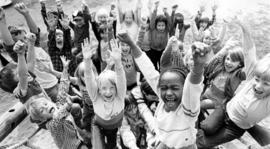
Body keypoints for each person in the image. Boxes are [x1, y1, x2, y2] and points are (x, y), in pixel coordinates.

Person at [117, 31, 210, 148]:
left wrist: (198, 67)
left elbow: (193, 87)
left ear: (184, 90)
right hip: (164, 143)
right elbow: (148, 70)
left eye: (175, 88)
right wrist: (131, 44)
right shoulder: (163, 95)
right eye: (164, 88)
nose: (169, 93)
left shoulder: (188, 108)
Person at [196, 19, 270, 148]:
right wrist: (244, 28)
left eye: (266, 83)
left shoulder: (239, 75)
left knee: (202, 142)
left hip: (235, 127)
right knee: (206, 128)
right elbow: (249, 52)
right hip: (225, 110)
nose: (258, 86)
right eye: (257, 80)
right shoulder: (251, 75)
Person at [82, 37, 126, 149]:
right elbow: (88, 77)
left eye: (112, 87)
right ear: (98, 89)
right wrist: (87, 61)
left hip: (114, 127)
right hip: (98, 125)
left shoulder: (119, 96)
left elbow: (120, 78)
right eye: (104, 88)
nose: (108, 92)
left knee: (112, 145)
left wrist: (118, 62)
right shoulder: (95, 97)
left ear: (117, 88)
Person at [148, 1, 171, 70]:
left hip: (163, 50)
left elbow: (169, 22)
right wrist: (155, 8)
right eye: (159, 25)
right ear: (156, 25)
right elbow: (152, 19)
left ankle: (161, 74)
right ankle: (156, 74)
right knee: (154, 64)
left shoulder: (166, 29)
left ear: (165, 25)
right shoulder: (153, 28)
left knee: (162, 64)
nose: (161, 27)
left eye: (163, 25)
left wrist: (166, 12)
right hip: (153, 50)